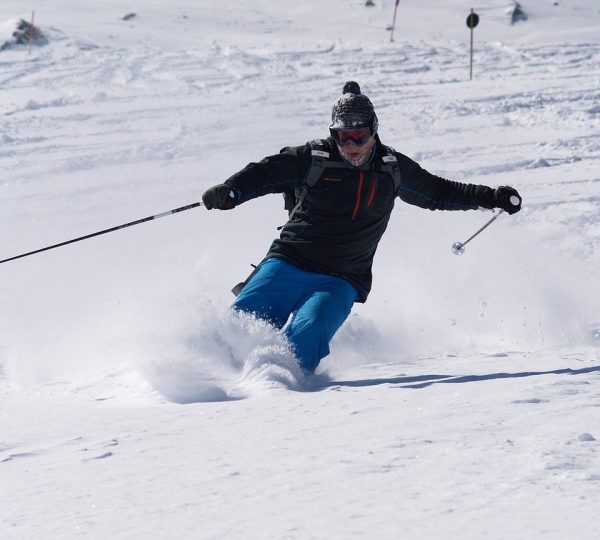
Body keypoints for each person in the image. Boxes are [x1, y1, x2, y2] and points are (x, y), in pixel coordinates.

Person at [202, 81, 522, 374]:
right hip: (288, 262)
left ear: (373, 130)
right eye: (343, 136)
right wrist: (233, 190)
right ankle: (211, 386)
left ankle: (277, 390)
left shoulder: (392, 168)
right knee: (240, 326)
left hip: (340, 279)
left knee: (308, 331)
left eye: (359, 135)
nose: (352, 144)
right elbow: (266, 172)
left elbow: (439, 191)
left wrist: (492, 197)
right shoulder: (314, 158)